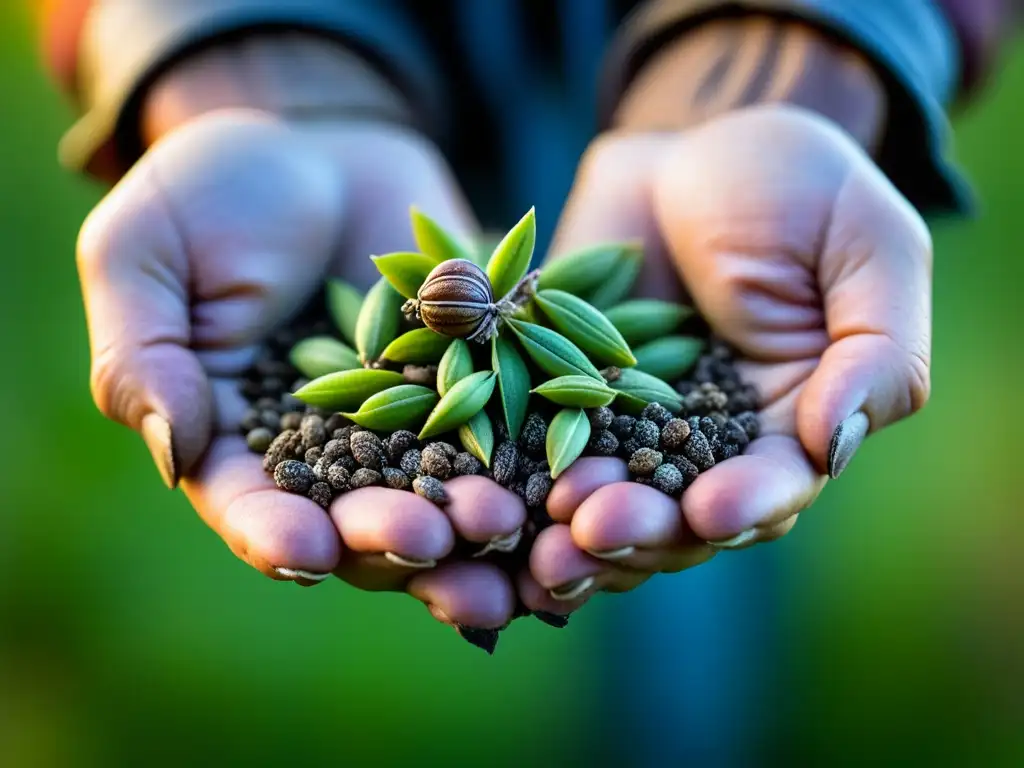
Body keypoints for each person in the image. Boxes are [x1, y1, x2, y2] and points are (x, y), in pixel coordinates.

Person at [37, 0, 1017, 711]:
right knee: (651, 527)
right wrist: (247, 70)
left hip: (676, 155)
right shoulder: (431, 350)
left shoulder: (590, 352)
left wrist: (784, 59)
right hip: (382, 77)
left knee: (687, 563)